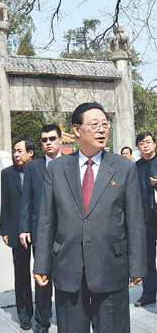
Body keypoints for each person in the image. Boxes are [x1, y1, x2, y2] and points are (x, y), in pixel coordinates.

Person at [34, 102, 147, 333]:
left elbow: (135, 220)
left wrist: (137, 266)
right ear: (76, 130)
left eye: (105, 124)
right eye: (94, 124)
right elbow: (46, 220)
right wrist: (42, 264)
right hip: (68, 268)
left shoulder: (124, 167)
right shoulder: (57, 169)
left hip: (111, 268)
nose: (102, 130)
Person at [19, 124, 63, 333]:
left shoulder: (70, 164)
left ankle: (67, 318)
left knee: (66, 277)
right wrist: (24, 227)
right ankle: (42, 322)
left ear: (61, 140)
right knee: (42, 276)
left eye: (52, 139)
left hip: (66, 231)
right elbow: (26, 199)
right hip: (40, 231)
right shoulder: (33, 167)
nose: (48, 143)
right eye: (44, 140)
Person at [0, 138, 35, 331]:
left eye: (20, 151)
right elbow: (5, 204)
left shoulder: (39, 170)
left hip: (38, 230)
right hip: (16, 231)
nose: (16, 155)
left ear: (30, 153)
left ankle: (43, 311)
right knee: (21, 274)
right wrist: (4, 230)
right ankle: (24, 314)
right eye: (14, 151)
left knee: (43, 271)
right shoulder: (7, 174)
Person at [134, 131, 157, 307]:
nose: (146, 145)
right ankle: (148, 294)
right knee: (148, 257)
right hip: (145, 219)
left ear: (155, 144)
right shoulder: (136, 167)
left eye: (148, 142)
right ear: (138, 147)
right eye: (142, 143)